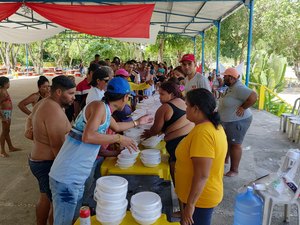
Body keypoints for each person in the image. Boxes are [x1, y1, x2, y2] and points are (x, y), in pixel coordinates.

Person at [49, 77, 152, 225]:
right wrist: (118, 139)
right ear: (125, 97)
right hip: (67, 175)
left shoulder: (105, 109)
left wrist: (138, 122)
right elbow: (88, 136)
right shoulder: (99, 107)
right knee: (64, 222)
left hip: (75, 176)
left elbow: (117, 127)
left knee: (73, 220)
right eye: (129, 97)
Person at [28, 76, 76, 225]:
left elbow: (28, 126)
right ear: (59, 92)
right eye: (71, 94)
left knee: (45, 197)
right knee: (57, 204)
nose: (74, 98)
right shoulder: (52, 110)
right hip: (47, 162)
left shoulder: (45, 103)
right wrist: (67, 172)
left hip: (38, 160)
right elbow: (58, 147)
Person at [175, 88, 227, 225]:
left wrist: (191, 205)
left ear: (196, 109)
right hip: (199, 197)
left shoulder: (203, 134)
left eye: (187, 105)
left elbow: (202, 175)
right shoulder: (210, 126)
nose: (185, 109)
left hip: (200, 200)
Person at [142, 81, 194, 183]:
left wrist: (146, 134)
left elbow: (155, 130)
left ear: (172, 94)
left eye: (162, 94)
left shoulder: (165, 108)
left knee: (178, 178)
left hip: (175, 146)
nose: (159, 97)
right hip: (188, 142)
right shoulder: (183, 102)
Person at [218, 68, 257, 177]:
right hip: (228, 120)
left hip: (238, 120)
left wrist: (243, 107)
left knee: (235, 144)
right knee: (228, 141)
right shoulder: (230, 87)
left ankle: (234, 170)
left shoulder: (239, 87)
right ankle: (225, 161)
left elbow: (253, 97)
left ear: (231, 77)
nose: (223, 77)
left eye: (225, 76)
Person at [0, 77, 20, 157]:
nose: (9, 84)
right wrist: (3, 117)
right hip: (4, 113)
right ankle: (2, 151)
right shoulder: (1, 92)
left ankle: (10, 147)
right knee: (4, 132)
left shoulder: (4, 90)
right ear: (4, 84)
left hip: (7, 113)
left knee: (7, 130)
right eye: (8, 83)